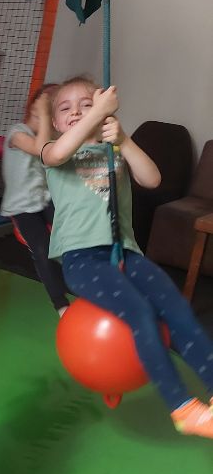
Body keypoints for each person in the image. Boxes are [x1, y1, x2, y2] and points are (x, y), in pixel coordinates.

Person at [42, 76, 213, 439]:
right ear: (56, 123)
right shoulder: (56, 153)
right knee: (140, 312)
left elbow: (152, 180)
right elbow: (56, 154)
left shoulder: (114, 152)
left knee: (178, 310)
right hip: (82, 259)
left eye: (86, 105)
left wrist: (124, 139)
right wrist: (96, 113)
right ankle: (183, 408)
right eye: (66, 108)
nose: (76, 112)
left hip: (125, 253)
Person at [0, 83, 69, 315]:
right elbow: (42, 151)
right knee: (42, 250)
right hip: (22, 205)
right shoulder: (17, 132)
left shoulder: (51, 138)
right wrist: (46, 114)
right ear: (34, 108)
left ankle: (84, 275)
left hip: (46, 198)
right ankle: (60, 303)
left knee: (71, 234)